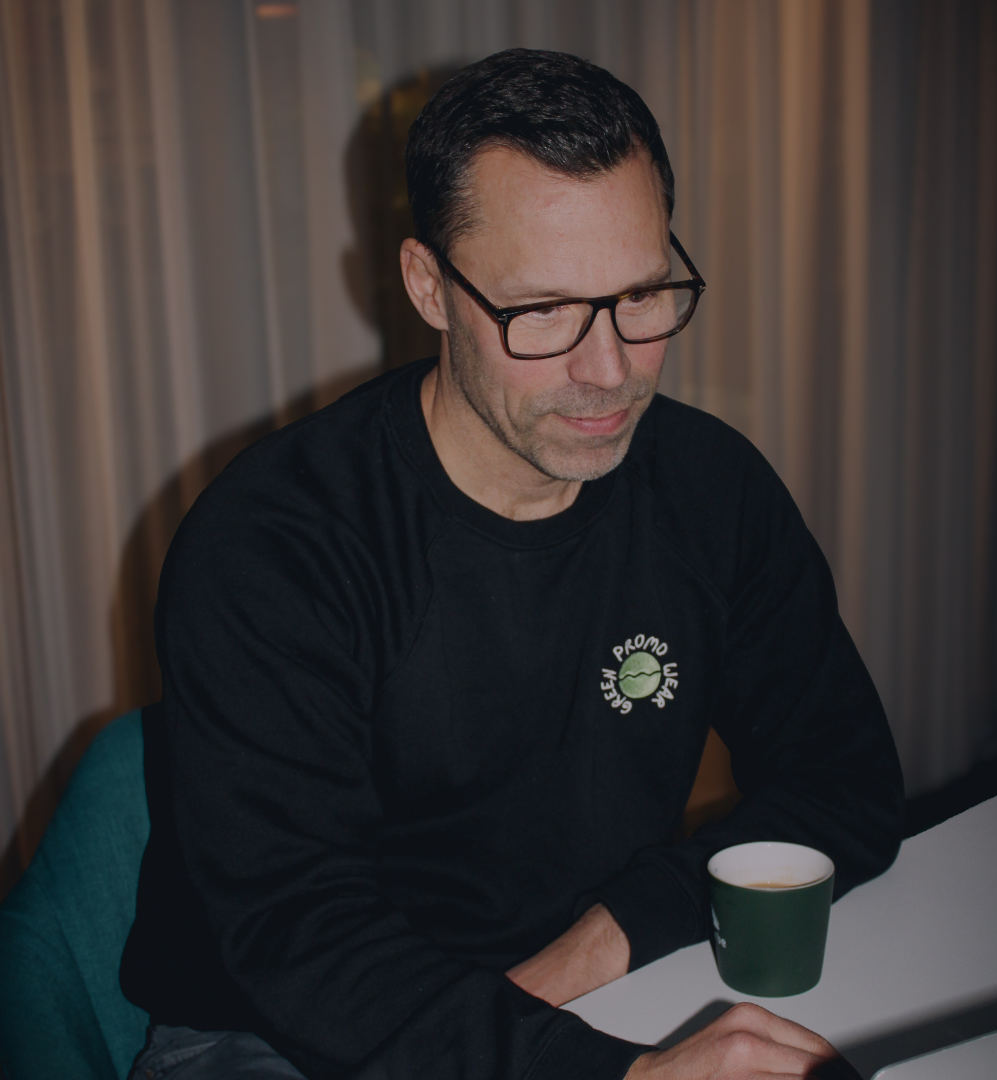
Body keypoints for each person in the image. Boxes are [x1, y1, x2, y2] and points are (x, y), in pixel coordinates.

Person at [121, 48, 903, 1080]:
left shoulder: (711, 490)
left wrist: (611, 933)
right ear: (429, 288)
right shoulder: (277, 544)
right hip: (276, 1032)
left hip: (590, 988)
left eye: (642, 294)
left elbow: (843, 784)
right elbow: (299, 936)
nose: (608, 369)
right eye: (541, 313)